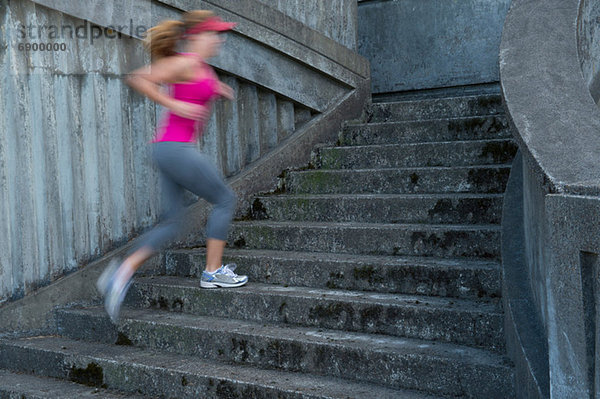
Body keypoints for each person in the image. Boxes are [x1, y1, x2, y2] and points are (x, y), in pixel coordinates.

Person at [96, 10, 247, 324]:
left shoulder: (200, 66)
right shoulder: (186, 62)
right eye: (214, 34)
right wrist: (175, 104)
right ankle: (213, 272)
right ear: (197, 36)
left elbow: (199, 87)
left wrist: (218, 90)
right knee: (224, 199)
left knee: (171, 222)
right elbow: (138, 78)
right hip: (175, 148)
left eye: (221, 34)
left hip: (168, 150)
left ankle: (120, 274)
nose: (219, 40)